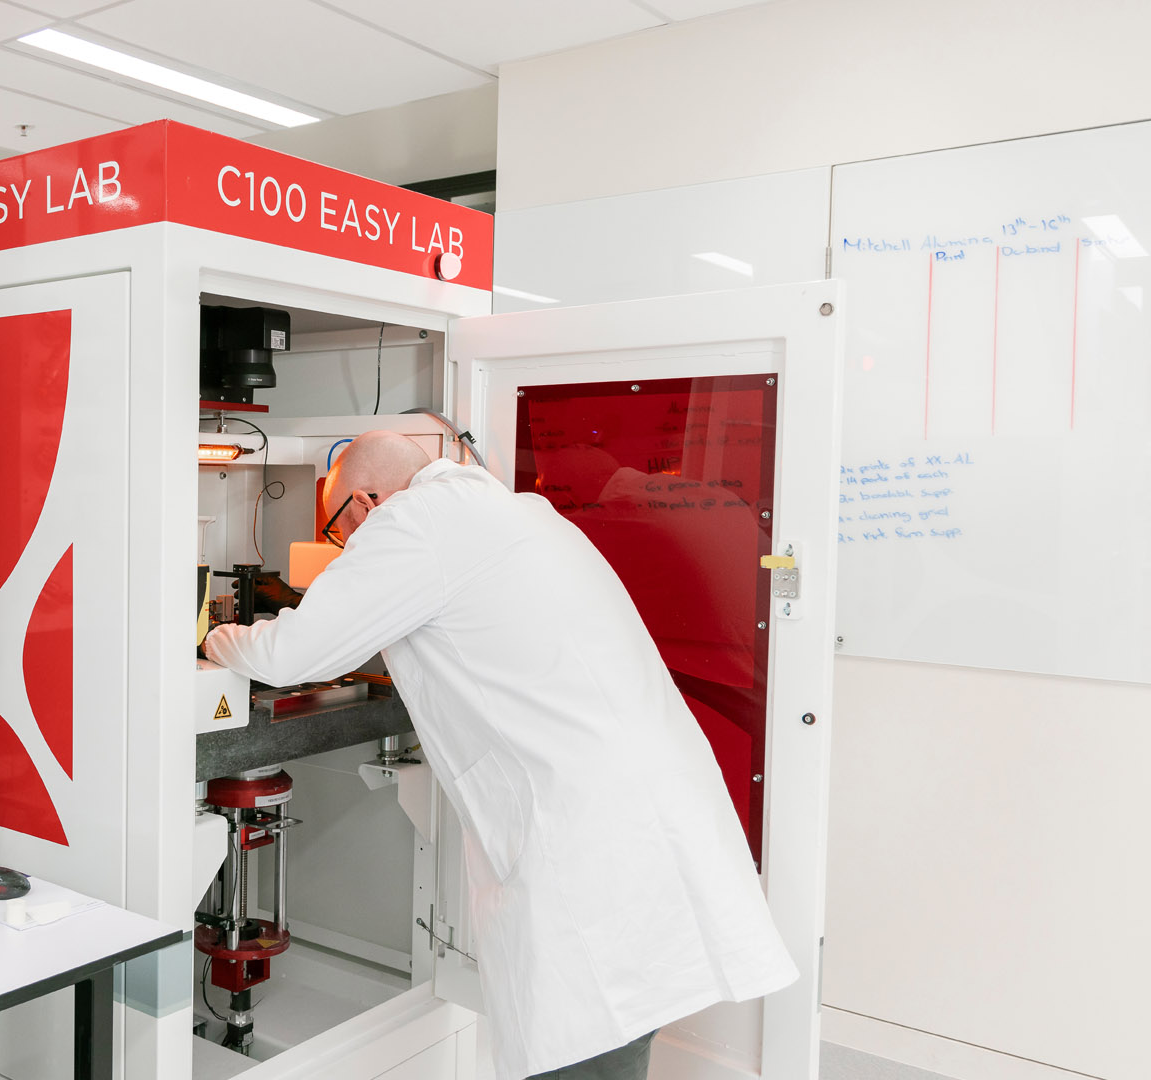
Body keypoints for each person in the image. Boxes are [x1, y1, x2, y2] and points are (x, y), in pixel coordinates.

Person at [202, 431, 797, 1080]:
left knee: (590, 1042)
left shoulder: (411, 520)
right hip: (643, 818)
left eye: (340, 531)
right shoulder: (516, 514)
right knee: (616, 1031)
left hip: (588, 841)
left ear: (366, 502)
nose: (346, 546)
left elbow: (292, 655)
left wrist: (213, 636)